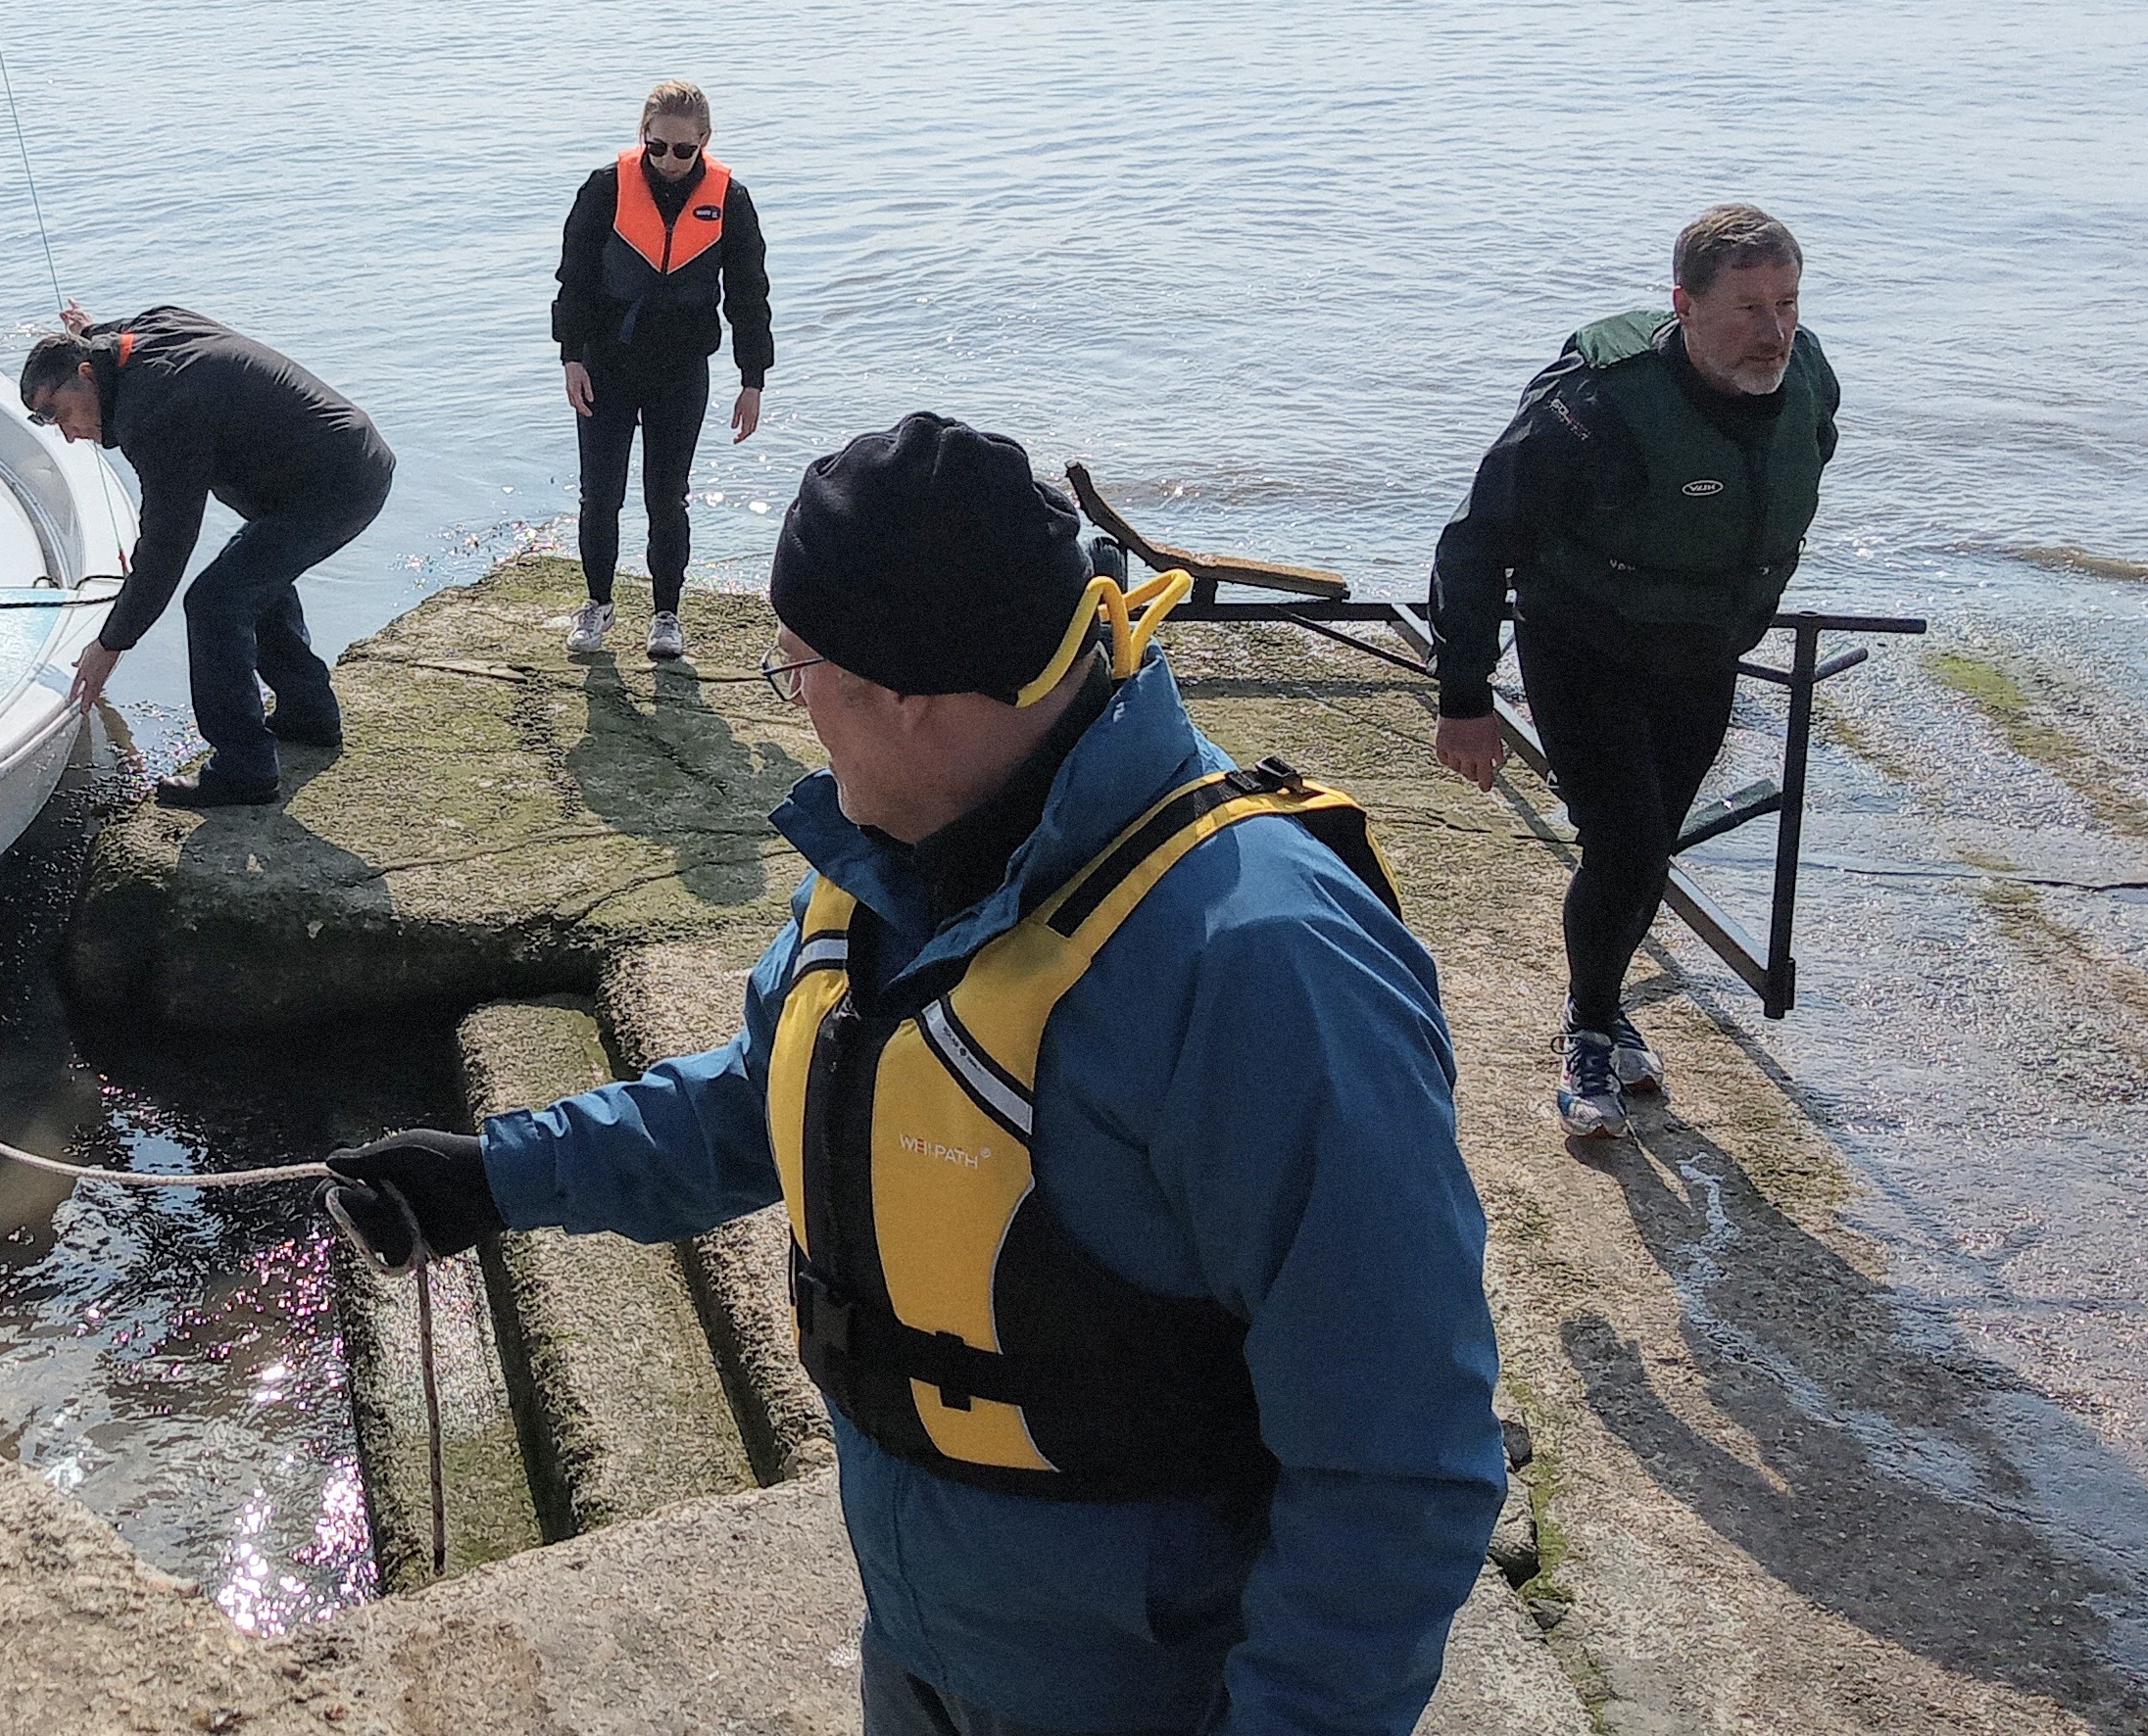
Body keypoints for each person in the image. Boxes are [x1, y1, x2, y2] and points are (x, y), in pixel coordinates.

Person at [327, 414, 1502, 1736]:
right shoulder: (901, 847)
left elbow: (1398, 1460)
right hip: (923, 1648)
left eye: (792, 668)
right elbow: (775, 1096)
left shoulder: (1263, 967)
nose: (788, 702)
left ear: (906, 692)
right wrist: (497, 1177)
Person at [1427, 205, 1840, 1141]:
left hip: (1701, 649)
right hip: (1586, 646)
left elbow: (1804, 464)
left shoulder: (1808, 375)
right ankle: (1587, 1030)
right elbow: (1475, 541)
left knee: (1652, 846)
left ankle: (1609, 1010)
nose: (1774, 331)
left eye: (1788, 302)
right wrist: (1464, 698)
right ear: (1683, 305)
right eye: (1747, 308)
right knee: (1627, 845)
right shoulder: (1595, 404)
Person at [21, 305, 394, 810]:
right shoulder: (148, 333)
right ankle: (309, 717)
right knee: (253, 580)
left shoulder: (156, 412)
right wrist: (84, 329)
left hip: (335, 485)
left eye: (60, 414)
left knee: (216, 601)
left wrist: (110, 644)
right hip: (339, 458)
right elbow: (105, 338)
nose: (67, 433)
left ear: (87, 376)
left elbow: (165, 548)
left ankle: (245, 771)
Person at [552, 79, 773, 664]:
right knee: (600, 495)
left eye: (684, 150)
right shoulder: (605, 190)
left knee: (666, 495)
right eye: (658, 148)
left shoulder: (730, 199)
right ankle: (597, 604)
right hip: (606, 363)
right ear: (642, 138)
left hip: (680, 370)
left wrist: (753, 377)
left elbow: (748, 293)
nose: (670, 161)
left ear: (704, 142)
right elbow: (573, 277)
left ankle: (665, 614)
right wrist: (571, 355)